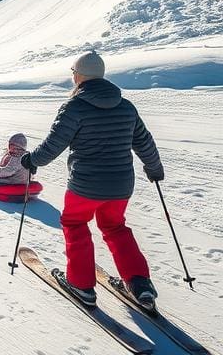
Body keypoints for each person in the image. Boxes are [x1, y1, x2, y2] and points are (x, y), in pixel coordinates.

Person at [21, 51, 164, 310]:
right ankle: (140, 284)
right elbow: (144, 142)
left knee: (74, 224)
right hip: (121, 186)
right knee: (115, 227)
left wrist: (32, 160)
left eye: (73, 72)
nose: (73, 77)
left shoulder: (74, 106)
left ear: (80, 75)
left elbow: (54, 144)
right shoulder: (125, 106)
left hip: (85, 185)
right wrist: (155, 168)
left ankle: (81, 284)